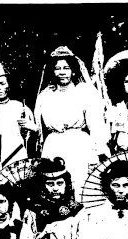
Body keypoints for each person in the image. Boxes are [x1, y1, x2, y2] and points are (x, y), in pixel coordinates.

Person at [34, 46, 108, 199]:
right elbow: (40, 128)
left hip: (79, 144)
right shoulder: (46, 95)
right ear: (52, 71)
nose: (62, 72)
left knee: (79, 183)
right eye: (58, 68)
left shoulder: (85, 91)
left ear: (73, 70)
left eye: (66, 68)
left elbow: (96, 125)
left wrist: (97, 151)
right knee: (54, 185)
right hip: (53, 144)